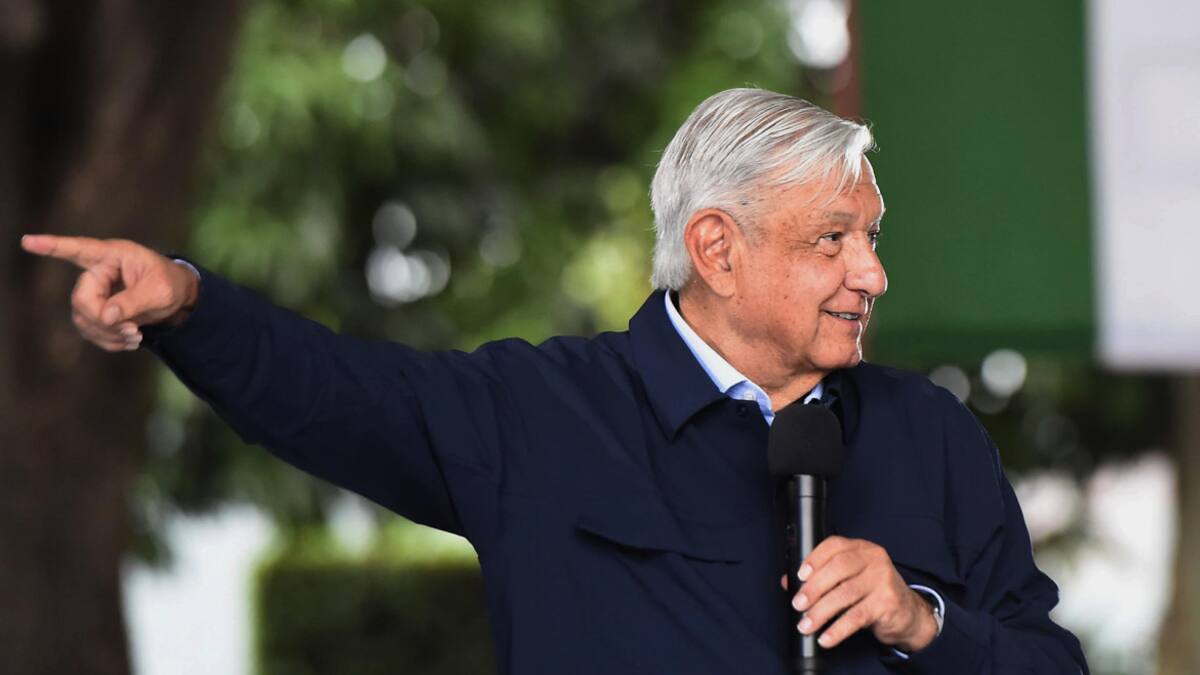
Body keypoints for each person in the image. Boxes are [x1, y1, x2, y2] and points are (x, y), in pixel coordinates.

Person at [21, 88, 1088, 674]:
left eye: (871, 237)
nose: (873, 274)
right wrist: (187, 304)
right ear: (717, 250)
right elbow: (334, 393)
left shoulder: (932, 437)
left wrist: (924, 622)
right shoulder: (537, 416)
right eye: (833, 240)